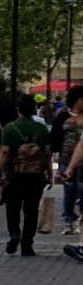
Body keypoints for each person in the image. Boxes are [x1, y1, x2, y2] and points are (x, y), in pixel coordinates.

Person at [0, 94, 52, 256]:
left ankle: (14, 233)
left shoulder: (9, 128)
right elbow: (47, 153)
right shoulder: (41, 128)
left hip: (15, 174)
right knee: (31, 210)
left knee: (12, 207)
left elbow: (4, 153)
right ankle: (27, 243)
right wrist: (49, 173)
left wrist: (2, 172)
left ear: (18, 109)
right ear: (34, 109)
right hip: (35, 175)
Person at [56, 91, 83, 234]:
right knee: (69, 192)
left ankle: (80, 221)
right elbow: (55, 137)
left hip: (81, 161)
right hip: (66, 159)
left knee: (81, 191)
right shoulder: (63, 116)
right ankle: (68, 219)